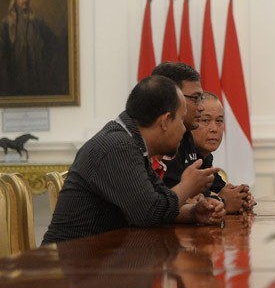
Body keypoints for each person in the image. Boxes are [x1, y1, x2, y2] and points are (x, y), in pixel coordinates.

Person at [42, 76, 224, 244]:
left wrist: (194, 212)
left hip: (102, 261)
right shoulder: (117, 146)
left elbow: (159, 200)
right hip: (71, 267)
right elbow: (148, 213)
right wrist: (187, 186)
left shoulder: (132, 144)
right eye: (181, 120)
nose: (185, 130)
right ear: (165, 121)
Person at [192, 92, 255, 213]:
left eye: (219, 121)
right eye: (205, 120)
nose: (214, 129)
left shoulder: (205, 157)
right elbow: (183, 197)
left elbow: (219, 189)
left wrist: (241, 197)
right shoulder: (178, 152)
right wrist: (222, 200)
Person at [0, 0, 64, 96]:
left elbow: (54, 43)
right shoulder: (5, 24)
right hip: (14, 80)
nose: (25, 0)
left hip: (37, 79)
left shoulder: (38, 22)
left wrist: (45, 64)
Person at [151, 62, 206, 187]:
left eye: (201, 98)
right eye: (195, 98)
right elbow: (158, 201)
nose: (202, 107)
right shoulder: (124, 148)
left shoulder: (187, 133)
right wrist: (220, 199)